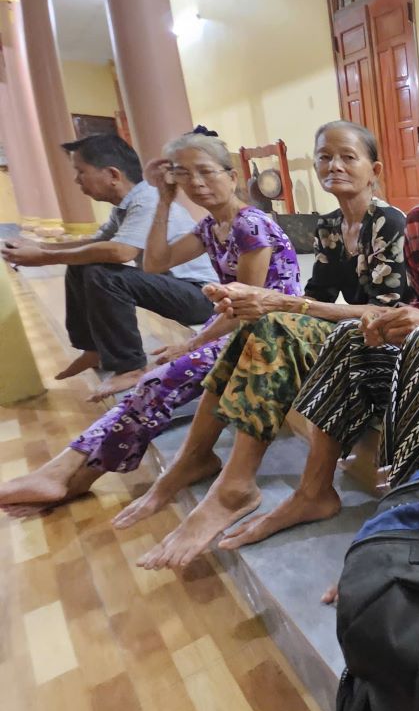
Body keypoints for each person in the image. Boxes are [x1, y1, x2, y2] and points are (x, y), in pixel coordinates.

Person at [164, 101, 419, 566]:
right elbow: (414, 308)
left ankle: (405, 519)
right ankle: (314, 490)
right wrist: (388, 325)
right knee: (352, 336)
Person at [119, 121, 410, 569]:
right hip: (348, 331)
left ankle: (234, 485)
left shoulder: (388, 222)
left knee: (274, 325)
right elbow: (316, 296)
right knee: (260, 326)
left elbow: (384, 314)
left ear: (374, 170)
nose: (333, 165)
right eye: (325, 157)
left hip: (387, 340)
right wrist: (276, 309)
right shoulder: (330, 225)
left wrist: (280, 306)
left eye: (347, 157)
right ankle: (198, 460)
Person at [0, 129, 301, 516]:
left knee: (158, 380)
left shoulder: (251, 225)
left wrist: (190, 344)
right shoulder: (211, 227)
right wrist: (163, 200)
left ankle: (72, 475)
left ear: (231, 176)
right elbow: (156, 263)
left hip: (272, 331)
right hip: (239, 328)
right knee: (156, 380)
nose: (196, 182)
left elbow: (247, 307)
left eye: (205, 171)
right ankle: (65, 470)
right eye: (184, 174)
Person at [0, 133, 217, 395]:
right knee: (84, 262)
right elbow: (94, 244)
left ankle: (130, 367)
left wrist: (44, 257)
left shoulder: (148, 200)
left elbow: (121, 252)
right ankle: (94, 349)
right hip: (173, 287)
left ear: (113, 174)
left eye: (81, 171)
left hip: (201, 296)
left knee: (103, 272)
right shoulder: (126, 206)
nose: (76, 180)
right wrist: (39, 247)